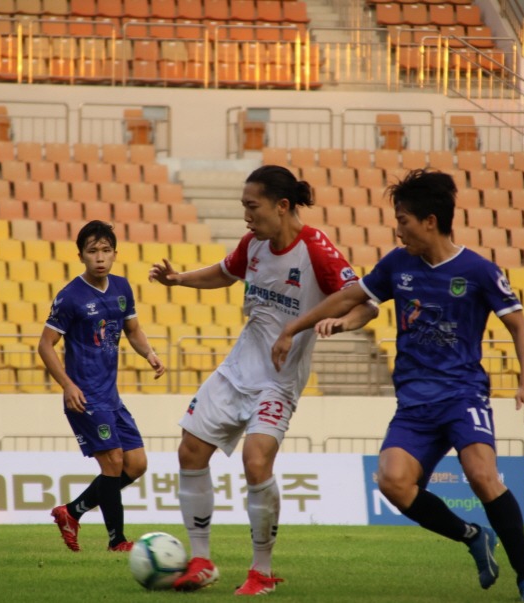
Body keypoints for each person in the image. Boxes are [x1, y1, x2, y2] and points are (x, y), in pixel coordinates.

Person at [272, 169, 524, 602]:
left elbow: (517, 326)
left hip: (462, 395)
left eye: (403, 219)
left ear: (430, 221)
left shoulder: (478, 270)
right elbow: (358, 301)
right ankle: (472, 536)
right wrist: (310, 325)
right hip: (414, 402)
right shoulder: (397, 264)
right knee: (392, 481)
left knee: (481, 475)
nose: (397, 228)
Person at [148, 165, 376, 596]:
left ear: (282, 205)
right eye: (243, 208)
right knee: (190, 450)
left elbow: (365, 304)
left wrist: (341, 323)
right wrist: (180, 279)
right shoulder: (253, 244)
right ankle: (201, 561)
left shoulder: (317, 250)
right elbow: (224, 272)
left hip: (278, 380)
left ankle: (262, 572)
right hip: (238, 368)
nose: (247, 217)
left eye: (252, 207)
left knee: (256, 462)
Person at [38, 220, 165, 553]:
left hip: (111, 395)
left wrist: (149, 353)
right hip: (85, 395)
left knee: (136, 465)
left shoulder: (122, 288)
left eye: (106, 250)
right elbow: (45, 345)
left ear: (115, 254)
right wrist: (67, 385)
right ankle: (117, 541)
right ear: (80, 255)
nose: (100, 257)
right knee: (112, 462)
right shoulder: (70, 297)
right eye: (92, 251)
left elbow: (133, 330)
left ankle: (72, 512)